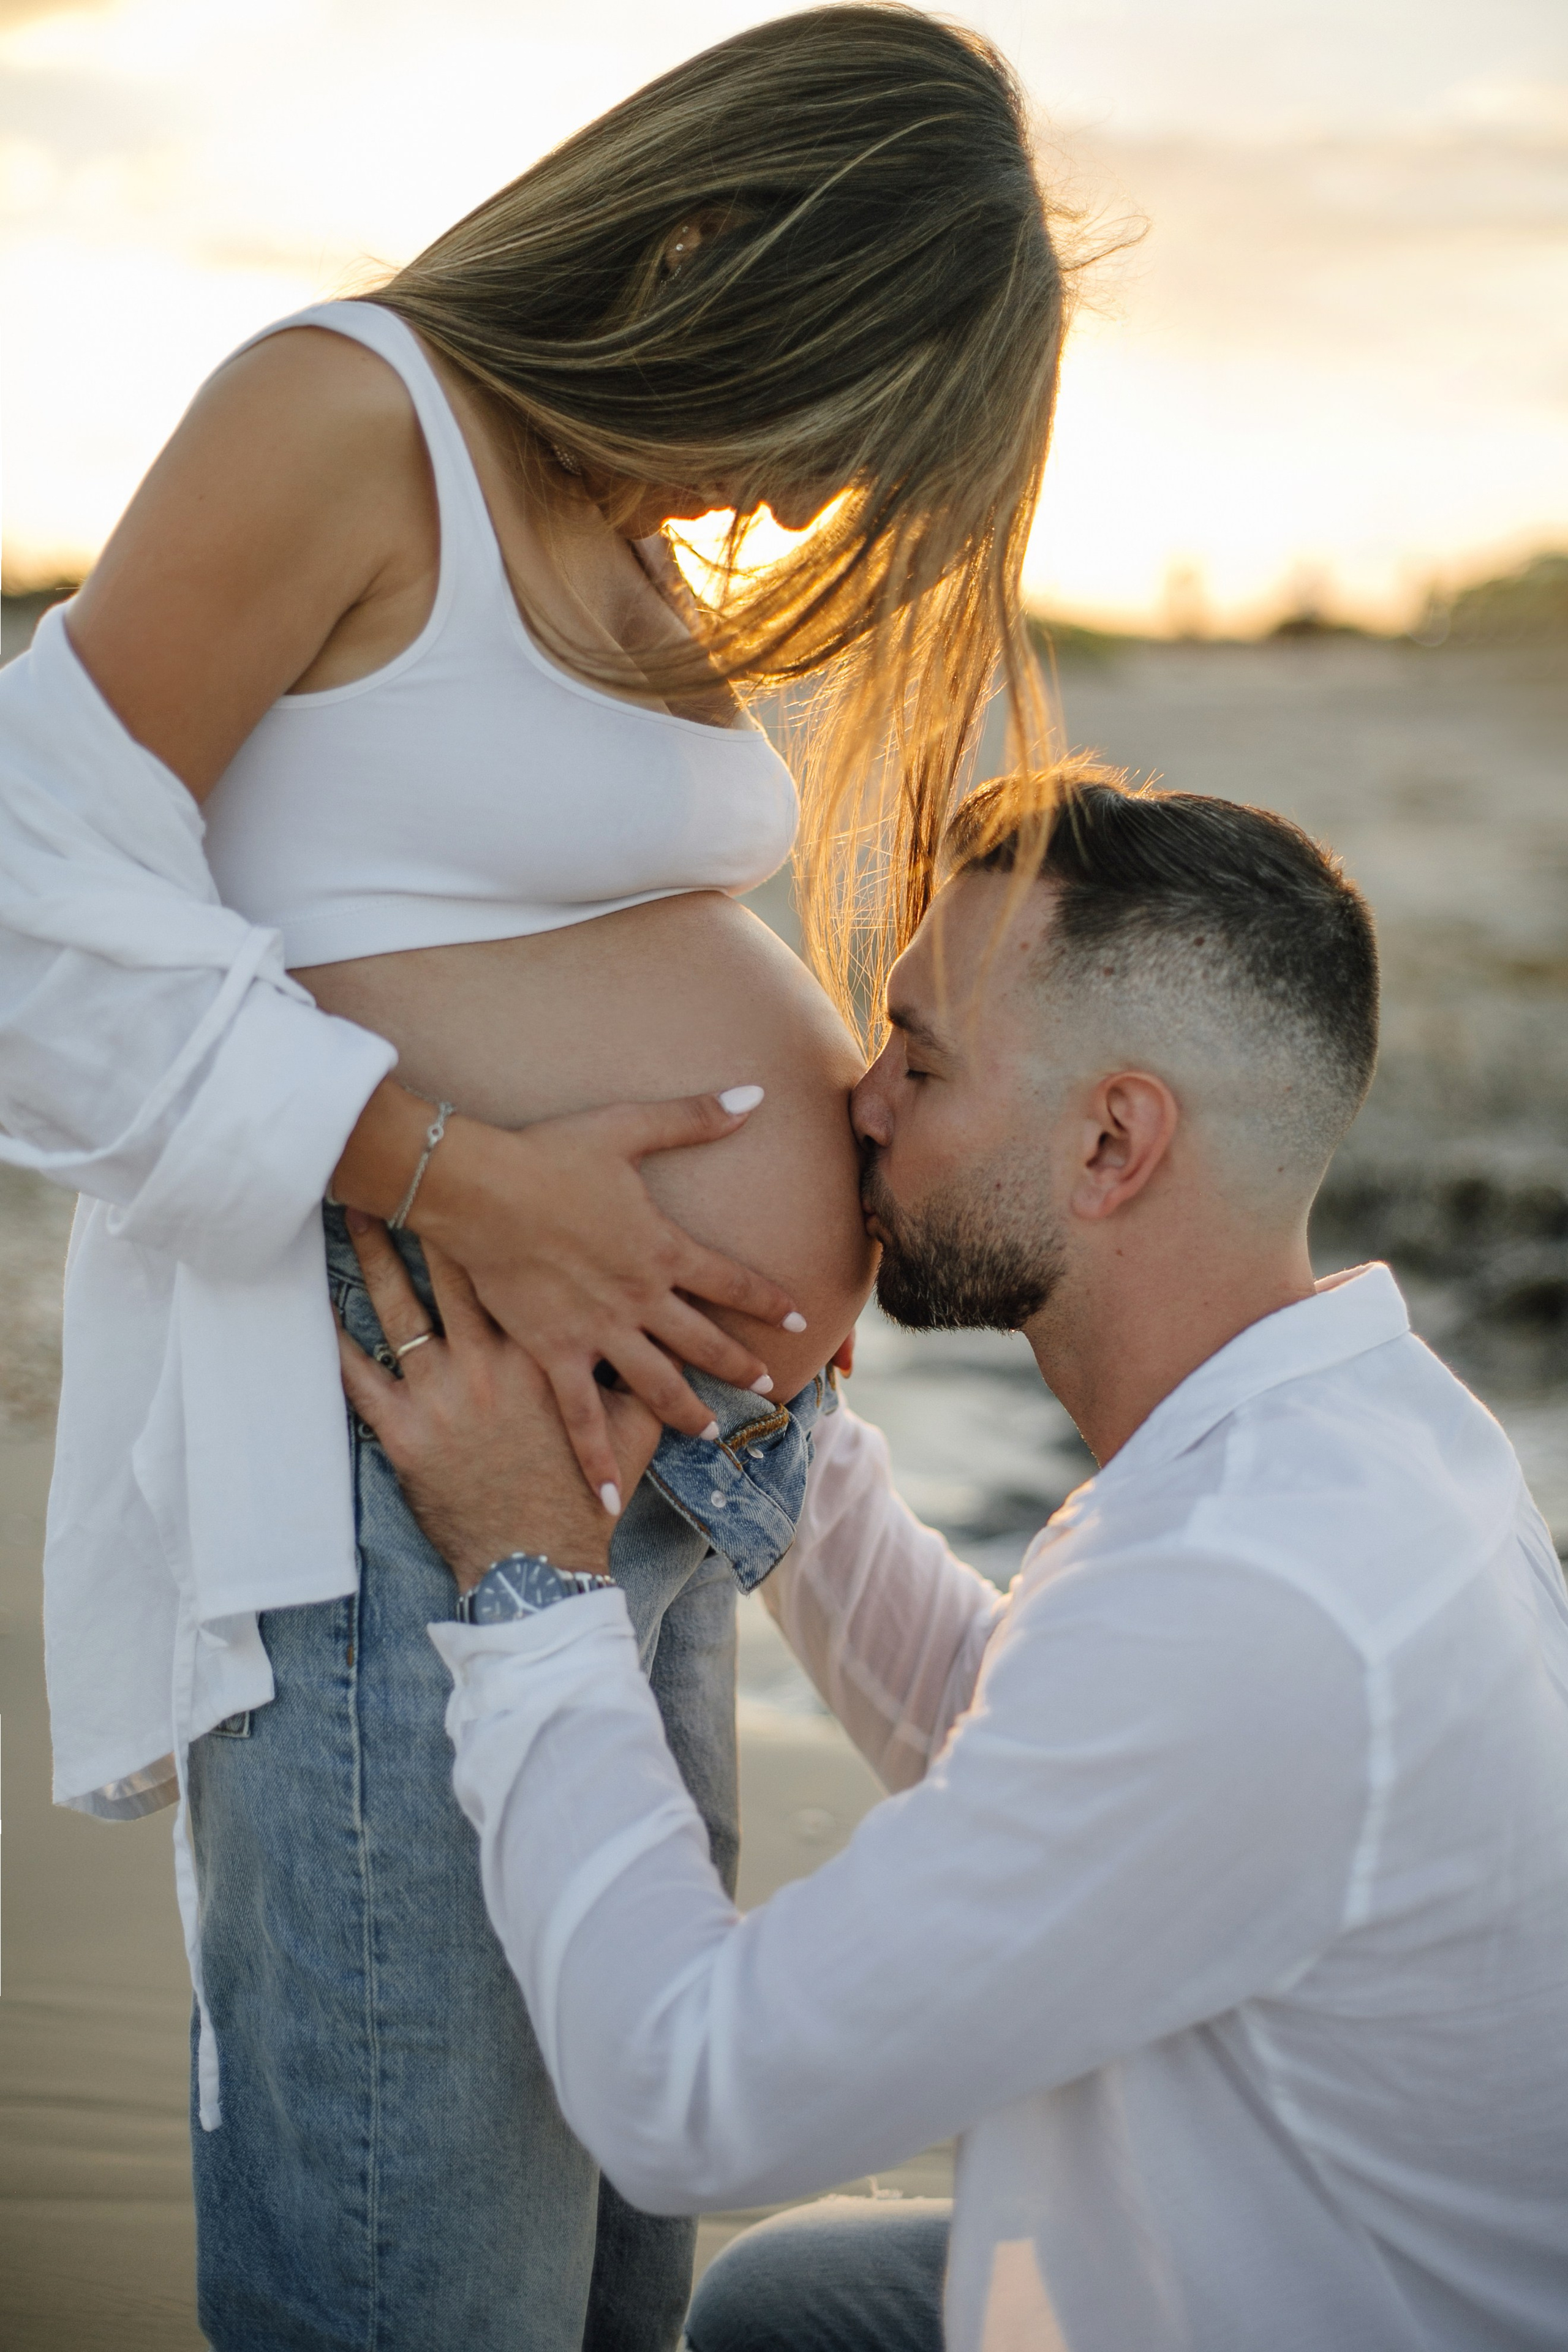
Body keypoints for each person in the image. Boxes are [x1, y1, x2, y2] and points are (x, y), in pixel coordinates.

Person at [0, 10, 1068, 2343]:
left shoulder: (622, 528)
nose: (800, 509)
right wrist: (457, 1174)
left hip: (663, 1490)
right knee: (423, 2274)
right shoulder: (348, 414)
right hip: (414, 1470)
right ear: (720, 246)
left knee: (609, 2259)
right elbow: (20, 894)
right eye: (829, 417)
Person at [343, 772, 1568, 2352]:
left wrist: (531, 1583)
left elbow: (694, 2102)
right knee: (796, 2302)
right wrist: (756, 1423)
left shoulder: (1252, 1601)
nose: (855, 1099)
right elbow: (1013, 1731)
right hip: (1274, 2238)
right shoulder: (1371, 1432)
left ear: (1112, 1142)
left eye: (918, 1062)